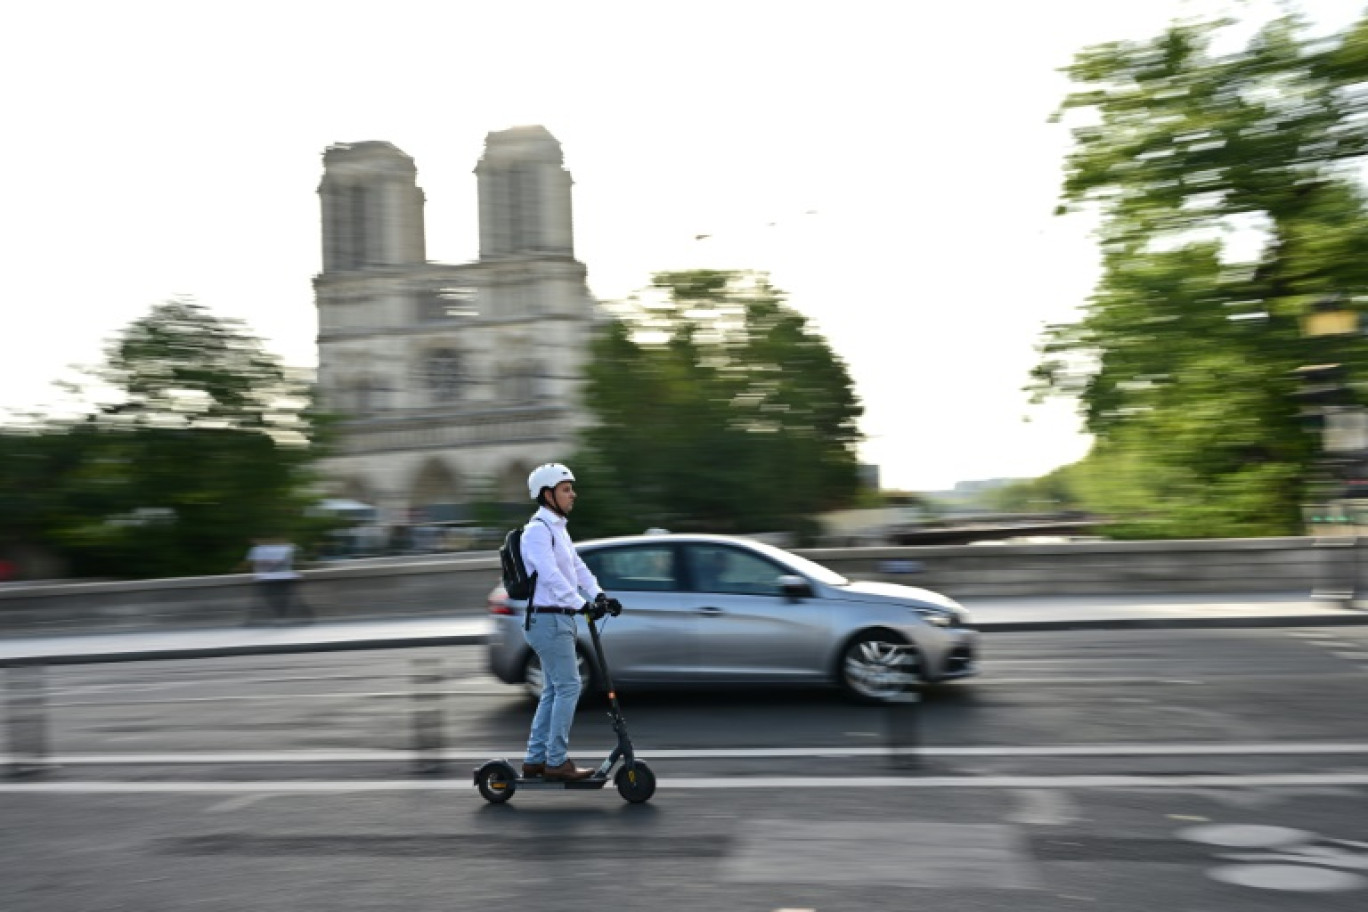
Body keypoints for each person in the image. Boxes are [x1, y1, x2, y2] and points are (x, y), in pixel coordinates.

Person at [519, 462, 621, 781]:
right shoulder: (536, 532)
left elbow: (577, 569)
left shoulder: (558, 529)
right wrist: (582, 605)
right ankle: (556, 762)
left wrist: (599, 595)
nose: (572, 494)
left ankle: (536, 759)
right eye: (566, 490)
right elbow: (550, 577)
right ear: (547, 494)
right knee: (569, 686)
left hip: (558, 620)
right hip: (547, 621)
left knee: (554, 689)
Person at [244, 535, 308, 625]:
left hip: (266, 577)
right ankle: (286, 617)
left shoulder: (256, 549)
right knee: (286, 598)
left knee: (271, 599)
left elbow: (252, 563)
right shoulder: (290, 547)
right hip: (286, 577)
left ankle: (280, 617)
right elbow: (299, 560)